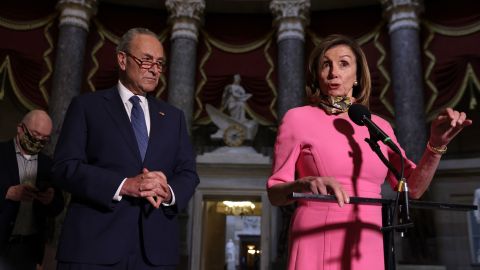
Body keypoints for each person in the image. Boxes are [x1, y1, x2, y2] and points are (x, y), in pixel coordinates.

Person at [266, 34, 472, 270]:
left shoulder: (377, 125)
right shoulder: (298, 118)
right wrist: (303, 183)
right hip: (317, 235)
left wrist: (435, 145)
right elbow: (274, 193)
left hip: (368, 239)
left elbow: (412, 188)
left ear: (357, 76)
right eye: (326, 64)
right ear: (317, 74)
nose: (334, 72)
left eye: (343, 63)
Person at [52, 27, 199, 269]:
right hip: (93, 248)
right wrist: (123, 185)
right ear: (122, 59)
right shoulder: (87, 107)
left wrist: (168, 191)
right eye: (146, 60)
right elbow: (64, 167)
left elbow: (188, 174)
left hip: (155, 254)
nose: (154, 69)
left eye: (160, 63)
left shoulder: (174, 117)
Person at [0, 110, 64, 270]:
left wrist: (50, 199)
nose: (39, 140)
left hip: (28, 249)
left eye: (45, 138)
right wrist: (6, 193)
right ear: (20, 128)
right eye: (35, 134)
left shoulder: (47, 164)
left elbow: (58, 205)